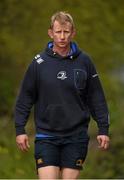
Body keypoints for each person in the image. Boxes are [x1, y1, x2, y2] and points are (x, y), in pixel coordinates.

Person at [15, 11, 110, 179]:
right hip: (46, 136)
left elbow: (96, 97)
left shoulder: (85, 61)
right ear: (51, 32)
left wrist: (103, 129)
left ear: (73, 32)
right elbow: (25, 98)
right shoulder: (38, 63)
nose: (62, 36)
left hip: (76, 136)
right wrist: (20, 129)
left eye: (66, 32)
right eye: (58, 32)